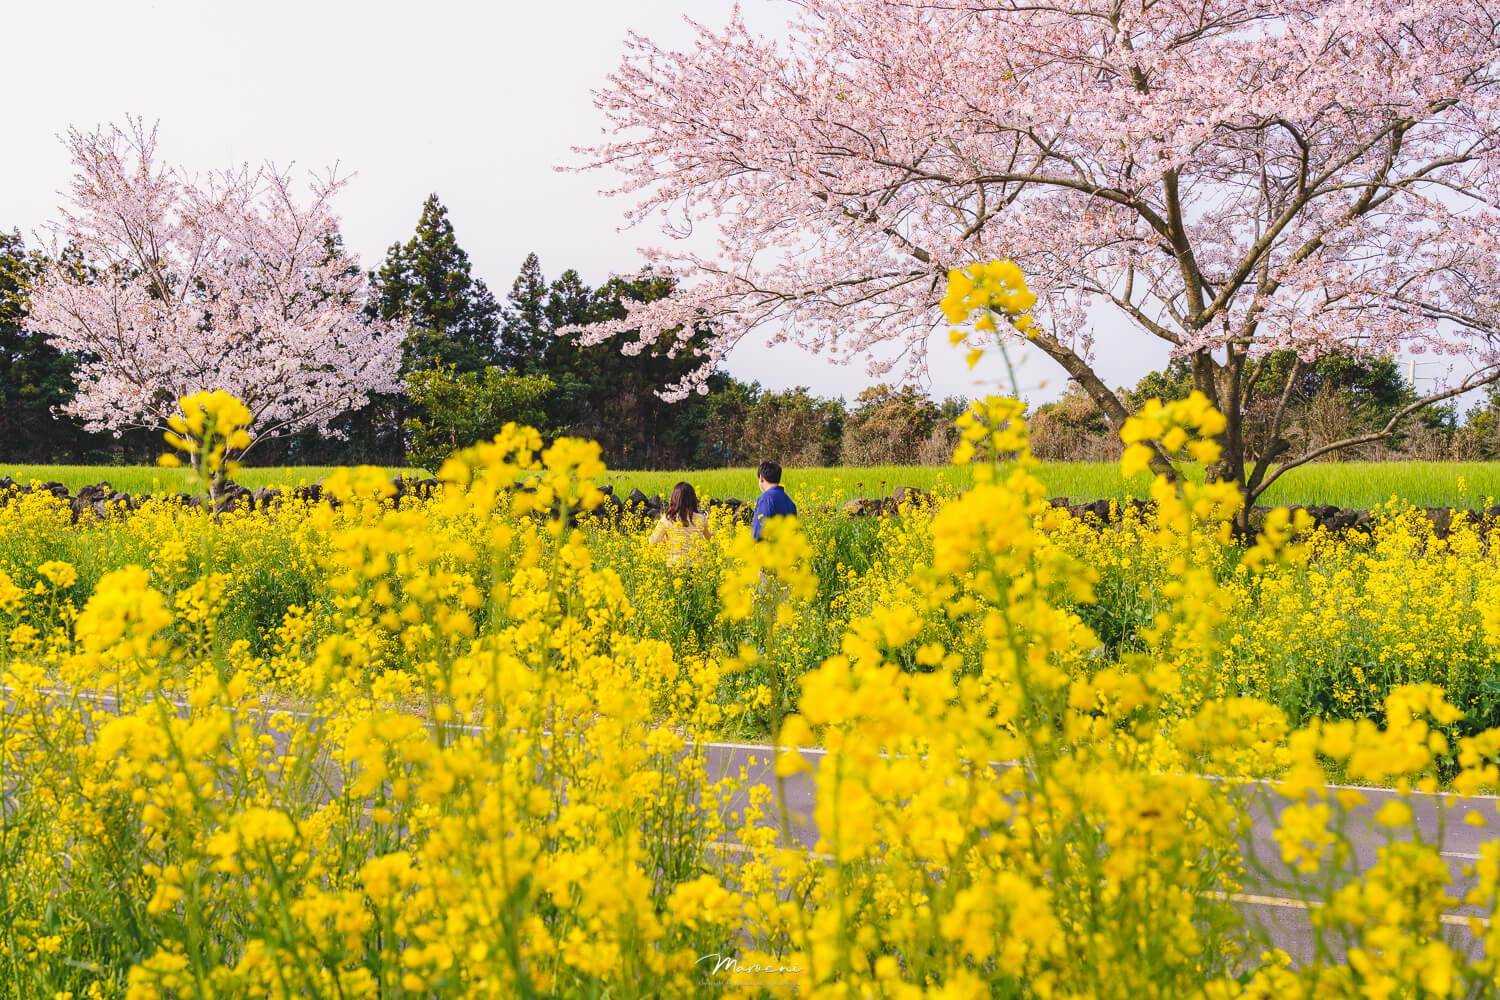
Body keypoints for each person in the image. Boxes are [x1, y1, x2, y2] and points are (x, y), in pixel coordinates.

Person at [648, 481, 713, 564]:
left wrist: (664, 542)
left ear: (673, 498)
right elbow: (711, 538)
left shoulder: (667, 518)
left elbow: (653, 542)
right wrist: (708, 521)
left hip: (674, 565)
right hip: (696, 566)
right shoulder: (701, 518)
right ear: (693, 499)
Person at [751, 460, 797, 541]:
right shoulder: (789, 502)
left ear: (761, 478)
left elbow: (758, 533)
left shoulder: (765, 498)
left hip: (768, 551)